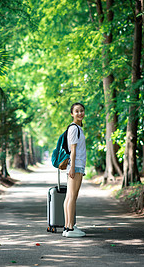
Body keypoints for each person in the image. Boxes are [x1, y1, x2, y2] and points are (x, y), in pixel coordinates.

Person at [63, 102, 86, 238]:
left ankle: (68, 227)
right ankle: (70, 228)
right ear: (72, 114)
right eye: (76, 111)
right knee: (72, 197)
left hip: (76, 165)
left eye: (81, 110)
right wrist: (72, 168)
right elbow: (73, 150)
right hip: (75, 166)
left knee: (69, 197)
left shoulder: (78, 128)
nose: (80, 113)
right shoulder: (74, 128)